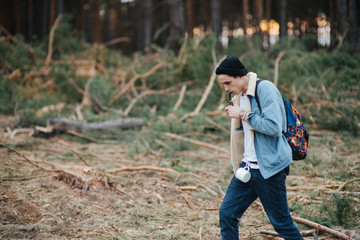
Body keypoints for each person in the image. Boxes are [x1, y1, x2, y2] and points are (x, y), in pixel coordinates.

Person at [215, 56, 303, 240]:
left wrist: (243, 114)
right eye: (223, 84)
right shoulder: (240, 96)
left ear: (240, 76)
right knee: (227, 214)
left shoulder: (265, 89)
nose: (226, 88)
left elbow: (274, 127)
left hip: (269, 170)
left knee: (282, 224)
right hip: (247, 168)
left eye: (228, 83)